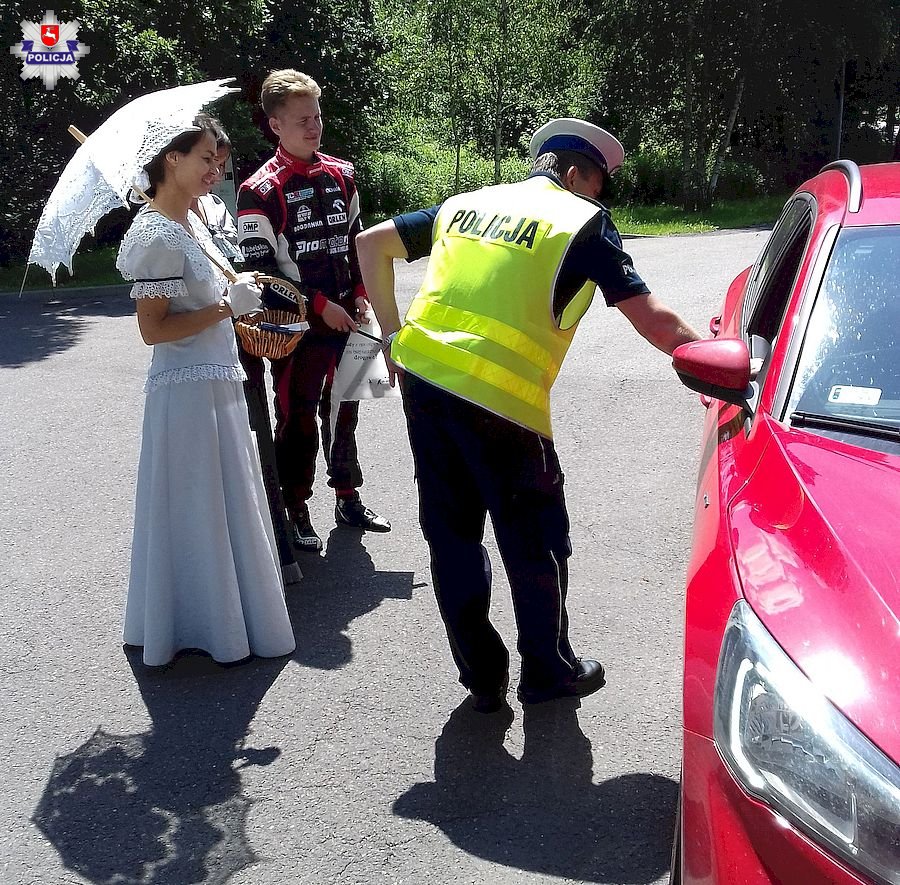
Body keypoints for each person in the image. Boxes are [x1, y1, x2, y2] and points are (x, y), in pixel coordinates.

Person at [356, 118, 701, 711]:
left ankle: (482, 676)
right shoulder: (581, 221)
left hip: (426, 384)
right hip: (504, 403)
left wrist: (391, 335)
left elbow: (370, 244)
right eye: (599, 184)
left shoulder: (466, 205)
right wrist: (714, 363)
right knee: (535, 539)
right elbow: (654, 319)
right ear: (576, 175)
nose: (599, 197)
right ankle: (547, 671)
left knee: (452, 536)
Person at [117, 113, 296, 666]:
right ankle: (200, 623)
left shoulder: (192, 220)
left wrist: (238, 291)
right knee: (196, 505)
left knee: (224, 502)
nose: (215, 171)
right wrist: (225, 307)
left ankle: (231, 615)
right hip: (186, 392)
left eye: (218, 162)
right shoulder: (154, 234)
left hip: (218, 382)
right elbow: (153, 330)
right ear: (171, 159)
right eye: (205, 160)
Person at [237, 68, 390, 553]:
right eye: (302, 119)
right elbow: (260, 270)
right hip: (299, 326)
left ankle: (347, 496)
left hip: (350, 318)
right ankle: (295, 507)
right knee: (297, 417)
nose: (313, 126)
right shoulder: (257, 190)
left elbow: (358, 242)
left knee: (345, 409)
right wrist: (320, 305)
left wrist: (361, 291)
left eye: (317, 116)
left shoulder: (343, 174)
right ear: (275, 124)